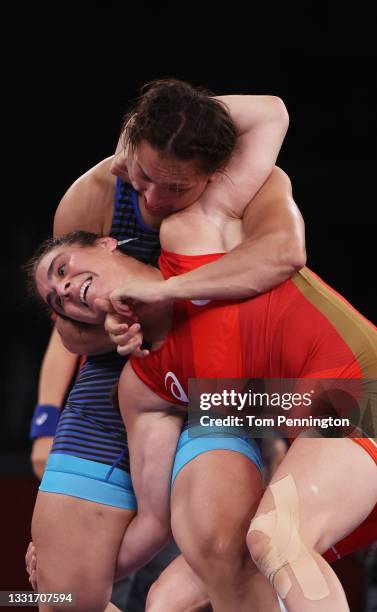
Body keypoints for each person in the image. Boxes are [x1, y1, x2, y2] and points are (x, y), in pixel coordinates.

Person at [30, 201, 377, 612]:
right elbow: (152, 524)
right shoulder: (147, 385)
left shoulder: (198, 241)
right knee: (166, 601)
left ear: (107, 244)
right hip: (353, 478)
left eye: (62, 269)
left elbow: (259, 164)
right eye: (56, 299)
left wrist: (165, 288)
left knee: (275, 534)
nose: (62, 289)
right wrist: (67, 573)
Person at [28, 79, 305, 611]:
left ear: (216, 169)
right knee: (51, 598)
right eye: (144, 177)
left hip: (220, 393)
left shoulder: (246, 188)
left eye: (176, 188)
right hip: (127, 390)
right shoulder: (96, 194)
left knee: (212, 569)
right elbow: (64, 329)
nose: (153, 198)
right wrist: (100, 330)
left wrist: (167, 293)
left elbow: (284, 250)